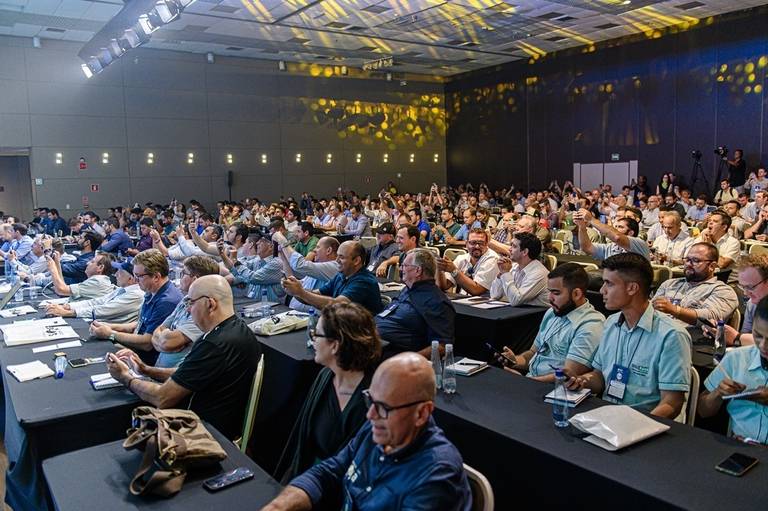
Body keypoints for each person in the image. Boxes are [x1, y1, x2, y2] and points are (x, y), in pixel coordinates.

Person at [261, 352, 472, 511]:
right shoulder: (379, 430)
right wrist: (279, 506)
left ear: (421, 413)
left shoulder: (435, 477)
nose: (370, 414)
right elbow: (330, 471)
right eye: (370, 400)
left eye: (384, 407)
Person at [107, 275, 262, 440]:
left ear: (210, 304)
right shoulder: (237, 330)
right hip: (218, 426)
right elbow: (188, 373)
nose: (188, 310)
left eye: (191, 303)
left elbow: (162, 397)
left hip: (202, 434)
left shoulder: (214, 344)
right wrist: (147, 370)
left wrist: (125, 378)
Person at [567, 253, 691, 419]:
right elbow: (599, 376)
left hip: (646, 422)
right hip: (609, 416)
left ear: (632, 288)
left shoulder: (671, 335)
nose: (602, 290)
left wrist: (636, 428)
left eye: (609, 283)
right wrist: (581, 381)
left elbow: (672, 403)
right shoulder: (611, 323)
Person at [274, 303, 382, 483]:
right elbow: (302, 445)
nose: (313, 339)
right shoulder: (325, 376)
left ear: (335, 345)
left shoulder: (372, 398)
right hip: (311, 479)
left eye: (316, 334)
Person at [499, 263, 604, 381]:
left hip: (553, 388)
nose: (550, 298)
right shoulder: (552, 312)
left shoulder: (590, 325)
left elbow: (567, 376)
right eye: (549, 292)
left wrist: (525, 382)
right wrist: (515, 361)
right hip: (532, 380)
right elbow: (533, 352)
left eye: (556, 293)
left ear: (576, 294)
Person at [114, 255, 221, 369]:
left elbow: (165, 343)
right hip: (157, 370)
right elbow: (157, 333)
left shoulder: (203, 312)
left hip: (169, 375)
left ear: (195, 280)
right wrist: (165, 339)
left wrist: (111, 334)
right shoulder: (186, 299)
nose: (179, 277)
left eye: (183, 273)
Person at [90, 249, 183, 364]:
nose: (135, 280)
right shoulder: (152, 291)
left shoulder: (166, 302)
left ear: (156, 277)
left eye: (139, 276)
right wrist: (110, 326)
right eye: (135, 275)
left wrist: (110, 334)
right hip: (136, 352)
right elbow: (141, 324)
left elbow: (147, 343)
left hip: (146, 362)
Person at [698, 295, 768, 444]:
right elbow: (703, 411)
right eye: (757, 335)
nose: (763, 345)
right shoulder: (737, 359)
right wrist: (717, 393)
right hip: (741, 445)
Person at [375, 248, 455, 358]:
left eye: (404, 266)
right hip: (372, 341)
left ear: (418, 271)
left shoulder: (437, 302)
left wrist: (407, 360)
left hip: (391, 355)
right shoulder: (407, 289)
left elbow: (442, 346)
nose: (401, 269)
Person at [283, 240, 383, 314]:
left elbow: (337, 306)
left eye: (342, 257)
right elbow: (316, 294)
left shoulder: (364, 281)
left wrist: (301, 292)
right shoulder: (340, 275)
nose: (337, 260)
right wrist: (294, 290)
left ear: (356, 261)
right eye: (337, 256)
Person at [652, 242, 738, 327]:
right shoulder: (669, 284)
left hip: (690, 334)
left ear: (712, 266)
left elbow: (711, 318)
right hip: (657, 331)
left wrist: (674, 310)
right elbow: (651, 311)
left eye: (695, 261)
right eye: (687, 260)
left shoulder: (723, 291)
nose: (688, 264)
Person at [45, 260, 144, 322]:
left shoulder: (136, 294)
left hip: (108, 334)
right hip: (97, 324)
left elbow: (104, 310)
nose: (116, 274)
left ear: (131, 279)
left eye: (120, 272)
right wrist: (68, 307)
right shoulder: (122, 289)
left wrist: (68, 312)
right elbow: (98, 301)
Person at [715, 254, 768, 347]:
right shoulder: (752, 304)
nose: (745, 293)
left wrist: (737, 337)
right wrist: (721, 334)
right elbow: (744, 339)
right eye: (743, 287)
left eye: (750, 287)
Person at [220, 234, 286, 302]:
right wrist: (222, 254)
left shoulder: (276, 263)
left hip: (272, 305)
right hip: (254, 302)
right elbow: (235, 270)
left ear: (271, 246)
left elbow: (253, 278)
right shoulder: (257, 260)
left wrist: (236, 263)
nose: (257, 243)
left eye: (261, 241)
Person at [489, 232, 549, 306]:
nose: (509, 249)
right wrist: (501, 274)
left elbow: (516, 300)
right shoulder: (513, 266)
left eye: (514, 246)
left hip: (537, 312)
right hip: (519, 310)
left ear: (525, 252)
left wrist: (505, 273)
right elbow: (494, 295)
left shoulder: (538, 273)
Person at [436, 228, 499, 296]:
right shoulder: (462, 259)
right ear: (466, 244)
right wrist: (440, 269)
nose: (477, 246)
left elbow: (476, 290)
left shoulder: (492, 259)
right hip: (464, 299)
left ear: (486, 244)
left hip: (486, 301)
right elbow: (445, 286)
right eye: (473, 243)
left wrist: (454, 270)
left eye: (481, 243)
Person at [576, 209, 650, 261]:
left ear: (631, 233)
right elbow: (587, 247)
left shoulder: (639, 243)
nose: (616, 229)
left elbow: (617, 237)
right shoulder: (611, 247)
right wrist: (581, 226)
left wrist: (591, 219)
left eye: (620, 227)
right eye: (615, 227)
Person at [45, 251, 116, 299]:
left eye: (92, 262)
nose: (87, 263)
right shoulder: (98, 280)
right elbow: (63, 289)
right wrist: (57, 263)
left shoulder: (97, 282)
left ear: (100, 268)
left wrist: (52, 268)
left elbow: (61, 289)